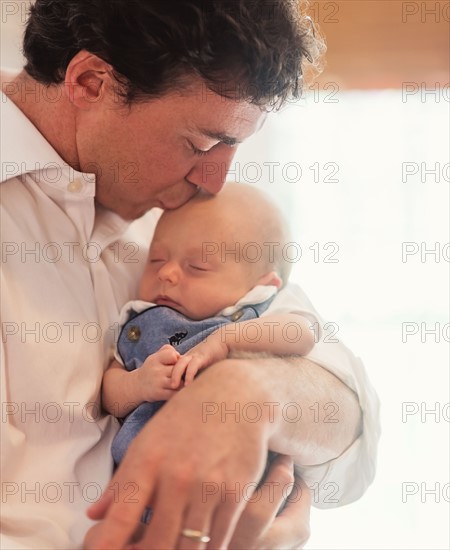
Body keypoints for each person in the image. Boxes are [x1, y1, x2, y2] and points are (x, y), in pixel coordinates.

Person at [0, 1, 380, 549]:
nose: (214, 183)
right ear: (90, 82)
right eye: (201, 144)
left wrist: (253, 393)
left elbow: (353, 434)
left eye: (232, 147)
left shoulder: (179, 214)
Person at [104, 183, 316, 469]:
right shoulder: (140, 322)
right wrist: (138, 385)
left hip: (232, 480)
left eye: (197, 267)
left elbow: (302, 334)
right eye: (156, 260)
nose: (166, 273)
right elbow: (109, 396)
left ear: (261, 288)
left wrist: (226, 341)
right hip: (143, 482)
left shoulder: (257, 313)